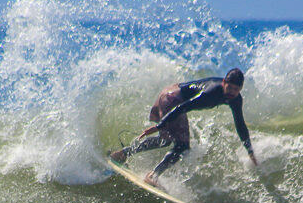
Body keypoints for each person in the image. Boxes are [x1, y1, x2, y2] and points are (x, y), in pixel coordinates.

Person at [110, 68, 258, 186]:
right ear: (224, 82)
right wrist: (160, 125)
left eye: (236, 89)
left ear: (241, 88)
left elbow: (240, 125)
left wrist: (249, 150)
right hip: (172, 99)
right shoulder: (211, 93)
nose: (232, 92)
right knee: (182, 146)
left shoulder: (235, 99)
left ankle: (122, 154)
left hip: (170, 93)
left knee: (166, 140)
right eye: (229, 87)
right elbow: (183, 107)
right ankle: (153, 175)